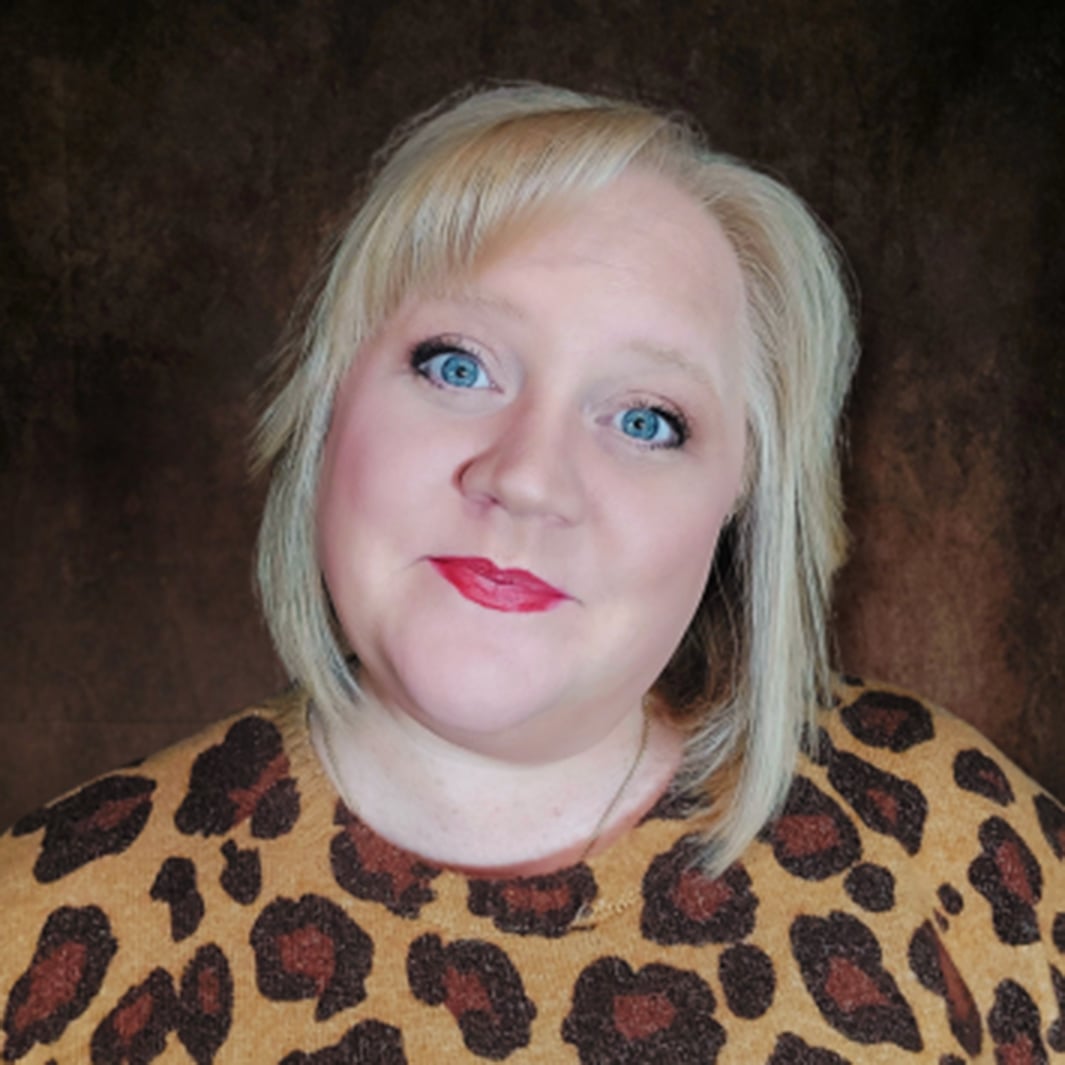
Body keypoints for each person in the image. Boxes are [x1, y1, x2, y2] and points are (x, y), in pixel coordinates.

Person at [1, 83, 1062, 1065]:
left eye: (645, 420)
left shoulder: (953, 843)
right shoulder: (37, 929)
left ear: (742, 498)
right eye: (458, 365)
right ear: (330, 403)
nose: (525, 479)